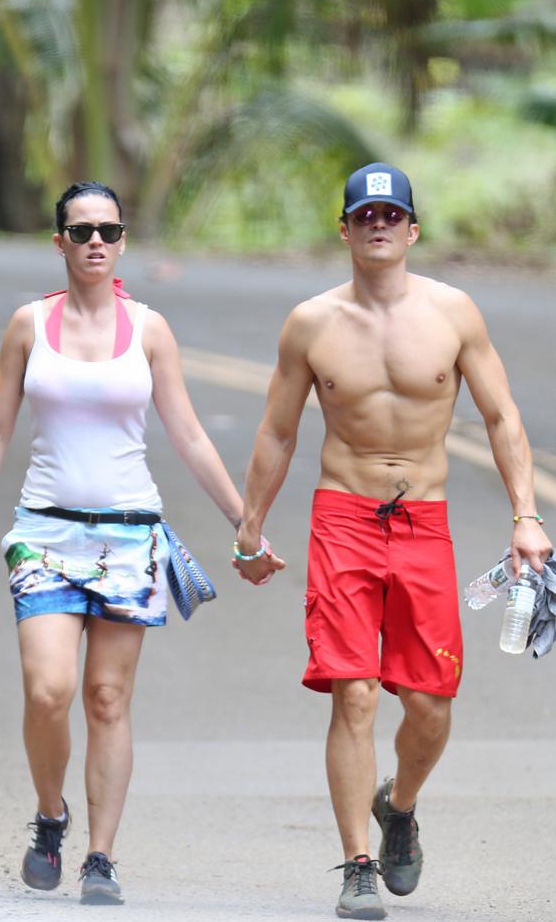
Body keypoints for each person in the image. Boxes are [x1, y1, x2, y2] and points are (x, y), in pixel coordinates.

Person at [233, 163, 552, 920]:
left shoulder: (454, 313)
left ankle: (398, 806)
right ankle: (355, 866)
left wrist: (526, 515)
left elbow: (503, 419)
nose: (377, 225)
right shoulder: (311, 322)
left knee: (433, 703)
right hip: (343, 517)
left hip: (424, 523)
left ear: (412, 230)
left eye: (391, 214)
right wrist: (250, 525)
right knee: (354, 691)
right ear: (344, 229)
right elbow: (278, 430)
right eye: (363, 214)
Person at [0, 181, 244, 905]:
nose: (96, 243)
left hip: (128, 537)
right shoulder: (28, 326)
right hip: (45, 531)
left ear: (122, 241)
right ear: (59, 243)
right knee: (49, 690)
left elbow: (190, 434)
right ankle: (51, 816)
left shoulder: (149, 329)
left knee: (108, 698)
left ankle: (100, 856)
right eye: (80, 232)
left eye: (108, 230)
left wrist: (246, 521)